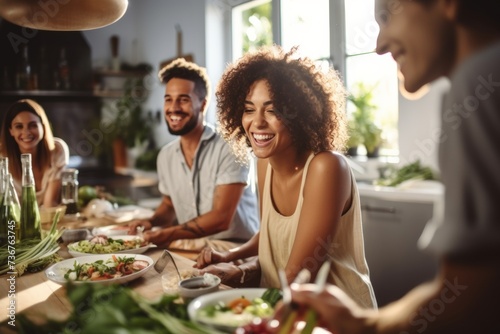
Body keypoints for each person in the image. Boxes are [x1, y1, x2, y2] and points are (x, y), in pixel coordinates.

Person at [287, 0, 500, 333]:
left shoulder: (477, 84)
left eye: (387, 18)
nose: (378, 45)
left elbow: (473, 297)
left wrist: (363, 324)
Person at [194, 45, 377, 309]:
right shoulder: (264, 163)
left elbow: (298, 277)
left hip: (336, 318)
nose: (257, 122)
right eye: (248, 109)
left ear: (300, 114)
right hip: (282, 306)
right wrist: (232, 258)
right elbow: (271, 237)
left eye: (273, 110)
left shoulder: (326, 168)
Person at [128, 58, 259, 253]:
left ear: (203, 104)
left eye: (183, 99)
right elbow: (169, 204)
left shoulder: (230, 147)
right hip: (192, 244)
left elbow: (222, 219)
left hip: (235, 248)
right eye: (168, 99)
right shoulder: (166, 155)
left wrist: (168, 233)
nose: (173, 108)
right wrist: (151, 221)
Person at [0, 99, 69, 208]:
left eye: (33, 125)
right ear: (11, 131)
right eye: (19, 126)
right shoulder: (2, 159)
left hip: (47, 221)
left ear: (43, 126)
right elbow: (11, 212)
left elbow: (49, 204)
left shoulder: (57, 150)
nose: (26, 132)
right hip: (14, 224)